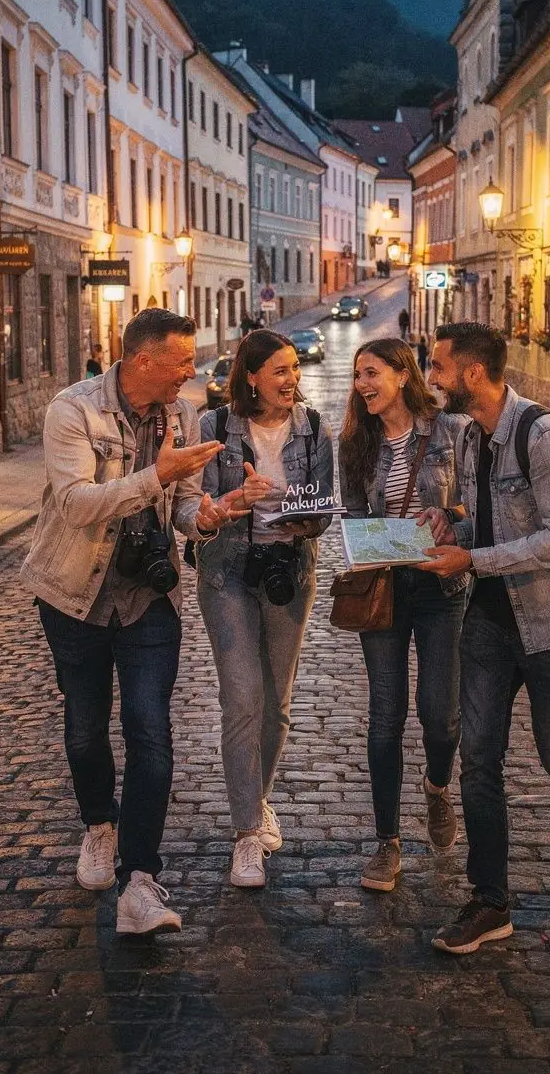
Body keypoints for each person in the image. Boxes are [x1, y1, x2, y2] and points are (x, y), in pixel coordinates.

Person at [22, 309, 251, 936]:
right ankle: (100, 823)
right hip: (74, 592)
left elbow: (179, 508)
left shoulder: (184, 413)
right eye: (182, 361)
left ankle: (140, 882)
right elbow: (74, 506)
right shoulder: (73, 410)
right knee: (84, 731)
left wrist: (207, 516)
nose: (191, 371)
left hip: (149, 597)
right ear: (143, 360)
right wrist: (158, 474)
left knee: (151, 732)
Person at [420, 322, 550, 956]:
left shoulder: (545, 436)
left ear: (474, 374)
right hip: (487, 621)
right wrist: (451, 522)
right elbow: (484, 515)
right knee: (479, 761)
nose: (431, 377)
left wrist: (473, 562)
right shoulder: (470, 437)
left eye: (438, 366)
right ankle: (491, 902)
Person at [196, 331, 335, 889]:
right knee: (243, 699)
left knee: (276, 702)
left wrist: (297, 512)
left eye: (294, 369)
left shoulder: (315, 427)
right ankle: (247, 833)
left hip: (289, 571)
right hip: (228, 570)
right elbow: (199, 504)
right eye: (279, 370)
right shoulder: (214, 429)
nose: (291, 380)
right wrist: (235, 503)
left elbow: (324, 503)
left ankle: (259, 797)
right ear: (250, 377)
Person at [338, 338, 468, 893]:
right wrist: (356, 537)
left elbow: (476, 504)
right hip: (385, 588)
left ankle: (438, 787)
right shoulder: (355, 442)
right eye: (358, 376)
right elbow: (354, 512)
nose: (363, 384)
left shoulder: (449, 430)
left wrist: (451, 514)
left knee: (440, 712)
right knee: (385, 712)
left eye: (371, 373)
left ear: (400, 374)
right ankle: (386, 842)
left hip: (441, 584)